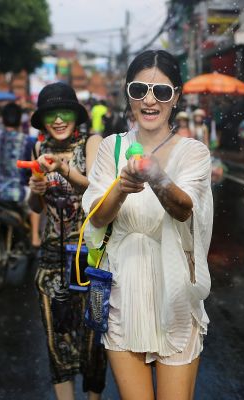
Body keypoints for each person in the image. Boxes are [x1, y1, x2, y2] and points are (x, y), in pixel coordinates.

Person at [82, 50, 213, 400]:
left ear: (177, 97)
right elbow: (95, 216)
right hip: (124, 293)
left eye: (162, 92)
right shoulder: (112, 148)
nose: (150, 100)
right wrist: (121, 188)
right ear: (128, 94)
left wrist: (155, 175)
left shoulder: (193, 152)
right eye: (139, 90)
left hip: (176, 297)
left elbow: (184, 209)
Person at [26, 82, 106, 400]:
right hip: (50, 259)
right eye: (50, 115)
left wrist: (62, 168)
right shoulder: (38, 149)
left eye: (64, 113)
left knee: (93, 341)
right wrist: (36, 191)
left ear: (75, 115)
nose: (58, 120)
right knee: (56, 341)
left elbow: (98, 191)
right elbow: (36, 208)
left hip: (90, 255)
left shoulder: (92, 143)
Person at [0, 102, 39, 252]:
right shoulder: (27, 141)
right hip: (15, 194)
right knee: (37, 199)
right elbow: (30, 170)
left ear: (2, 118)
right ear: (20, 120)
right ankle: (35, 238)